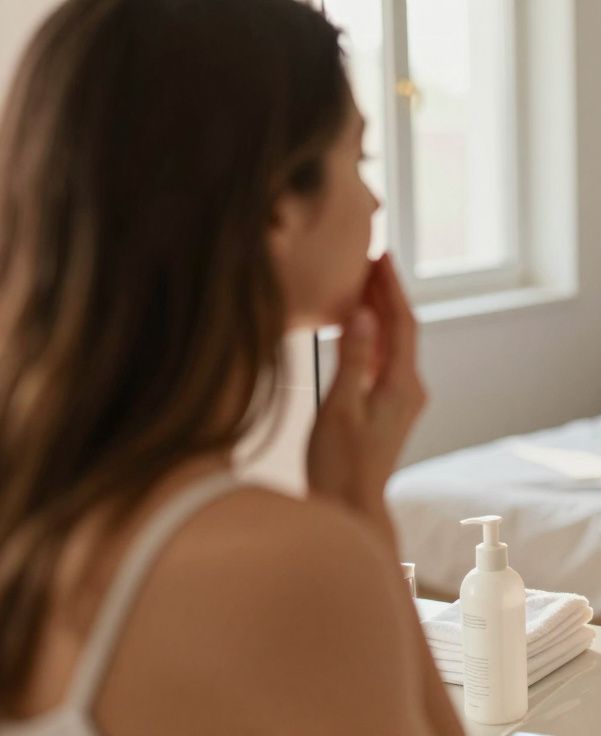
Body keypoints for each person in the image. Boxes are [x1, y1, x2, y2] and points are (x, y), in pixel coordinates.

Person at [0, 0, 464, 732]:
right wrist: (360, 519)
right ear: (278, 206)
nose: (374, 199)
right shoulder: (286, 569)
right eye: (359, 159)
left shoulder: (37, 513)